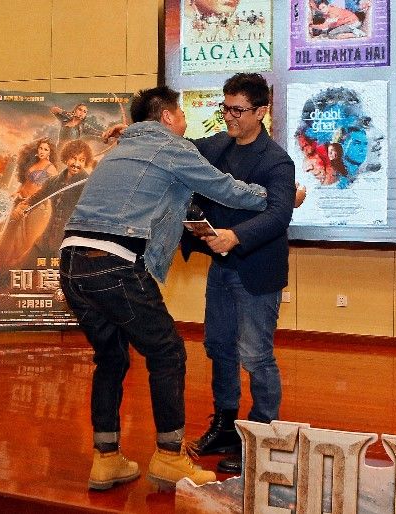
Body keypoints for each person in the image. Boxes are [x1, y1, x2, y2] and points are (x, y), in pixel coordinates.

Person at [59, 86, 269, 491]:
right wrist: (273, 197)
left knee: (111, 358)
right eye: (183, 114)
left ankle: (106, 459)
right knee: (168, 352)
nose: (187, 122)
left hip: (72, 263)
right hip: (113, 262)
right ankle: (170, 457)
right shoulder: (170, 147)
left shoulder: (121, 147)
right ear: (169, 117)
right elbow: (225, 188)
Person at [182, 73, 296, 476]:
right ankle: (226, 426)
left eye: (238, 110)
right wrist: (135, 134)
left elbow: (280, 214)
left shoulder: (277, 161)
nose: (229, 116)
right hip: (222, 269)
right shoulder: (218, 146)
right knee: (219, 347)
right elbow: (179, 149)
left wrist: (236, 236)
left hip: (257, 271)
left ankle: (263, 437)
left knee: (256, 355)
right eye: (225, 108)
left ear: (261, 112)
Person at [13, 139, 93, 268]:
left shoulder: (88, 185)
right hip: (44, 241)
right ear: (66, 158)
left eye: (82, 160)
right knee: (22, 268)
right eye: (73, 158)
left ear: (86, 162)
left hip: (67, 247)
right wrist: (22, 206)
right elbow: (37, 197)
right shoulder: (54, 181)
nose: (76, 164)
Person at [0, 137, 58, 269]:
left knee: (22, 241)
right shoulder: (34, 163)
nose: (42, 151)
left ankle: (10, 268)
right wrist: (17, 191)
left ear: (50, 152)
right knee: (7, 234)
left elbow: (52, 189)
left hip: (33, 206)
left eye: (46, 149)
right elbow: (26, 183)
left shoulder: (51, 168)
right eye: (40, 148)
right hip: (19, 202)